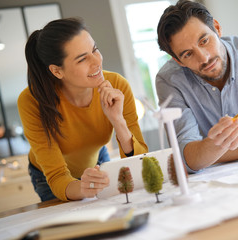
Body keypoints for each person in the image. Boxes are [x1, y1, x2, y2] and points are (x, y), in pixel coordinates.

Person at [18, 17, 148, 202]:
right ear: (57, 71)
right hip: (48, 178)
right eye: (82, 59)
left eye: (94, 50)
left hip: (96, 162)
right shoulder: (32, 101)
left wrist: (117, 121)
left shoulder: (117, 85)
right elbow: (56, 176)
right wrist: (84, 187)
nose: (97, 62)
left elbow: (140, 161)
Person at [156, 0, 238, 173]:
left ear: (217, 28)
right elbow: (185, 156)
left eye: (204, 41)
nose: (204, 58)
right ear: (178, 61)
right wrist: (192, 157)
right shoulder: (169, 80)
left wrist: (206, 152)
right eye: (188, 54)